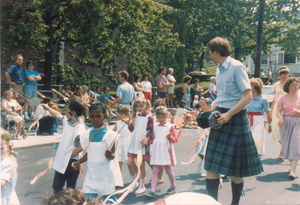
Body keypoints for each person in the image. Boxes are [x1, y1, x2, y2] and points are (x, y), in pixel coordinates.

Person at [205, 37, 263, 204]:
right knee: (211, 167)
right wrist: (210, 110)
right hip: (220, 117)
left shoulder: (236, 67)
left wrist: (229, 114)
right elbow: (221, 97)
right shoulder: (218, 69)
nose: (209, 55)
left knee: (237, 169)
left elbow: (248, 96)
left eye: (210, 52)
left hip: (235, 118)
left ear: (216, 52)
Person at [72, 103, 123, 203]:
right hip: (92, 175)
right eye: (92, 116)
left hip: (106, 175)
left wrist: (110, 155)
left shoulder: (111, 135)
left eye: (98, 116)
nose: (95, 119)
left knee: (110, 201)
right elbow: (89, 152)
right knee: (86, 201)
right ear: (89, 117)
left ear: (104, 116)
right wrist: (79, 162)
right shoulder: (87, 134)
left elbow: (112, 155)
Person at [41, 97, 86, 193]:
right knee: (57, 187)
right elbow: (58, 115)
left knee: (70, 190)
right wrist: (48, 108)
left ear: (73, 113)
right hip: (62, 161)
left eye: (66, 110)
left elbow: (81, 146)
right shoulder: (67, 121)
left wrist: (69, 155)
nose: (64, 112)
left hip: (72, 163)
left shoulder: (79, 128)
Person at [145, 106, 177, 198]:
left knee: (168, 170)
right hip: (156, 150)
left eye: (163, 117)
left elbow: (175, 140)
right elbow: (152, 138)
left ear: (167, 116)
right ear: (156, 117)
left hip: (166, 150)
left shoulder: (170, 126)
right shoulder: (154, 126)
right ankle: (152, 191)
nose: (161, 119)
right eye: (159, 117)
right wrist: (147, 141)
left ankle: (173, 185)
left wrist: (170, 137)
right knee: (155, 170)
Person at [124, 97, 154, 194]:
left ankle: (142, 185)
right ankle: (134, 182)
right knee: (129, 163)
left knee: (141, 164)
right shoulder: (136, 116)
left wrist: (146, 139)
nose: (139, 108)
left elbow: (151, 131)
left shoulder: (150, 117)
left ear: (146, 105)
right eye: (137, 107)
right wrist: (129, 124)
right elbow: (133, 130)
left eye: (141, 106)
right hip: (134, 141)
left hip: (143, 141)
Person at [277, 77, 300, 179]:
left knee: (295, 145)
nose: (296, 86)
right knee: (287, 145)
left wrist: (298, 112)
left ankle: (293, 171)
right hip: (285, 123)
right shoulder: (283, 98)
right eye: (294, 85)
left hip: (297, 122)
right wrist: (280, 118)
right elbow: (278, 111)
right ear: (288, 86)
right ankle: (291, 167)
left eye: (297, 84)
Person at [247, 78, 272, 156]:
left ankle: (258, 151)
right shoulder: (248, 98)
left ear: (255, 87)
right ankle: (249, 151)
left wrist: (269, 125)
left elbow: (267, 113)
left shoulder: (263, 99)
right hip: (248, 118)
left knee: (258, 135)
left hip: (258, 118)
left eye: (250, 86)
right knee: (248, 135)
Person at [270, 66, 289, 161]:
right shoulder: (276, 84)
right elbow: (275, 97)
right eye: (284, 74)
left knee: (285, 130)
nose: (286, 75)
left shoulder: (289, 84)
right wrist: (271, 108)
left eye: (287, 74)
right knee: (277, 130)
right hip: (277, 108)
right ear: (280, 75)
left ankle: (282, 152)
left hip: (286, 107)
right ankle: (284, 148)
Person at [1, 130, 20, 205]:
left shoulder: (6, 163)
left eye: (1, 148)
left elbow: (2, 183)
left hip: (6, 200)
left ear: (8, 147)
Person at [113, 105, 132, 172]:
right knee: (118, 161)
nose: (119, 115)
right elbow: (112, 132)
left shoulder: (129, 122)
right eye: (118, 113)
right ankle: (118, 179)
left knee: (130, 162)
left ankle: (137, 174)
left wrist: (127, 122)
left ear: (127, 114)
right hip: (120, 142)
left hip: (128, 142)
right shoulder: (118, 123)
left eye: (121, 114)